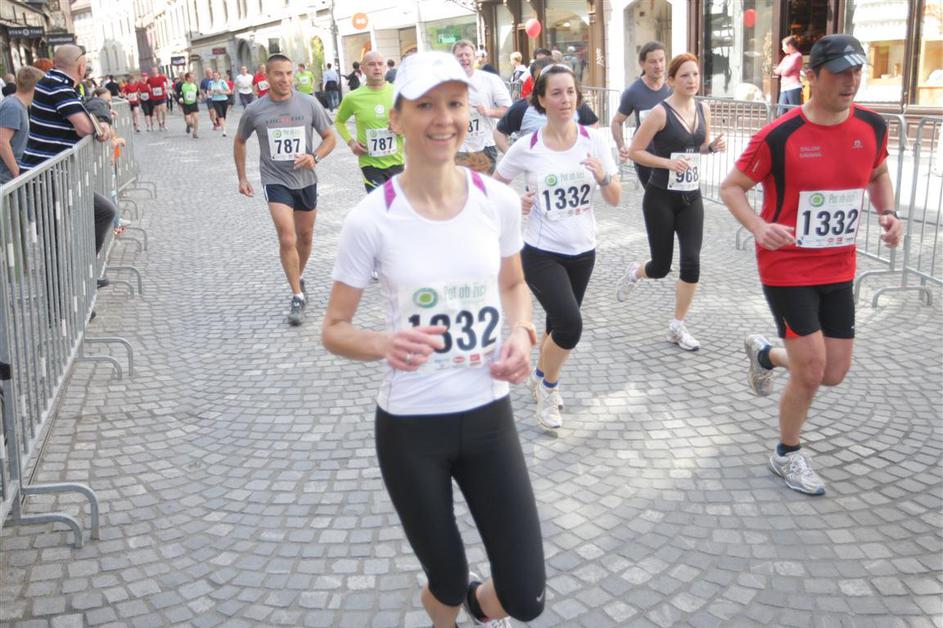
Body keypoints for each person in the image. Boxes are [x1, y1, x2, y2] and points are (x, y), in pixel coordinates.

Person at [321, 51, 546, 628]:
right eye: (425, 105)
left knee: (525, 595)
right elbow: (334, 329)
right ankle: (444, 609)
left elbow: (514, 284)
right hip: (412, 427)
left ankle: (475, 608)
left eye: (454, 103)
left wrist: (523, 332)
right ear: (396, 118)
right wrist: (384, 343)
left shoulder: (497, 202)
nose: (443, 118)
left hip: (488, 414)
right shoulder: (371, 219)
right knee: (445, 578)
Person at [719, 34, 902, 496]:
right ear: (811, 77)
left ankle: (766, 355)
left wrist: (888, 212)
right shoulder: (779, 135)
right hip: (787, 269)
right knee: (812, 370)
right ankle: (786, 454)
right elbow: (731, 187)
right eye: (839, 72)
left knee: (833, 371)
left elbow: (878, 173)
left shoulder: (872, 126)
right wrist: (759, 227)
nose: (851, 81)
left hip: (839, 267)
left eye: (856, 71)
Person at [494, 64, 621, 431]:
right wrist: (516, 202)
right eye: (556, 93)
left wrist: (603, 176)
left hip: (583, 250)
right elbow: (495, 186)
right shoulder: (527, 147)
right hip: (540, 251)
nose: (565, 99)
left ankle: (541, 376)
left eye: (570, 92)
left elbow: (615, 198)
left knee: (556, 325)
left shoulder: (594, 141)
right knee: (570, 324)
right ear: (541, 100)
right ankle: (548, 389)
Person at [615, 53, 726, 352]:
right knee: (661, 266)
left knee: (692, 262)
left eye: (695, 74)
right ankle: (635, 272)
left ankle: (677, 326)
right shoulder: (659, 112)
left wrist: (711, 147)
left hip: (691, 197)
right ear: (672, 80)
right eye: (685, 75)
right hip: (660, 197)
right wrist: (666, 163)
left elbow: (697, 147)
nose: (692, 80)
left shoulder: (703, 108)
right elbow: (636, 151)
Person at [234, 53, 336, 326]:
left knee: (305, 236)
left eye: (289, 73)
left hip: (306, 179)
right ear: (266, 77)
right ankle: (297, 295)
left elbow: (330, 137)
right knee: (287, 237)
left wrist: (314, 157)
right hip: (275, 180)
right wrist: (242, 177)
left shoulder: (308, 103)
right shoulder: (255, 110)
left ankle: (297, 276)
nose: (285, 79)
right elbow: (240, 140)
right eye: (279, 74)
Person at [20, 45, 115, 267]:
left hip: (55, 175)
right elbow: (85, 128)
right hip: (45, 177)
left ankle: (82, 272)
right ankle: (67, 284)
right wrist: (98, 124)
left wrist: (101, 119)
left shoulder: (61, 84)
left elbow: (87, 111)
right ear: (81, 67)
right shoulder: (57, 86)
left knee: (102, 212)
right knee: (55, 238)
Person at [494, 57, 599, 153]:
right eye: (542, 80)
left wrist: (584, 149)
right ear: (533, 82)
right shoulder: (522, 108)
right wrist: (510, 154)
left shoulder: (572, 104)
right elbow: (499, 132)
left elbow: (593, 123)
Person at [334, 51, 404, 192]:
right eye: (371, 64)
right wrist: (351, 143)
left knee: (396, 202)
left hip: (397, 161)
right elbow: (339, 121)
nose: (377, 68)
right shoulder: (352, 98)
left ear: (385, 67)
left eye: (380, 64)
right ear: (362, 68)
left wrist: (402, 129)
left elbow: (414, 122)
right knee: (380, 201)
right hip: (370, 163)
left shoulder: (399, 93)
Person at [611, 41, 672, 188]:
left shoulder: (673, 87)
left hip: (671, 156)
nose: (658, 65)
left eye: (661, 60)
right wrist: (621, 146)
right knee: (656, 197)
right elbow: (616, 121)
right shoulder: (633, 92)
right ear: (642, 64)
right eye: (652, 61)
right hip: (645, 157)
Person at [452, 39, 512, 175]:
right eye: (460, 55)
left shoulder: (490, 80)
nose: (464, 58)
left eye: (467, 54)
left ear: (474, 57)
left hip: (484, 147)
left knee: (484, 187)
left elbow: (508, 110)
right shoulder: (445, 84)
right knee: (461, 187)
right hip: (457, 148)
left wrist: (489, 112)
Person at [0, 66, 43, 184]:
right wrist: (17, 174)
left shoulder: (18, 105)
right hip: (8, 179)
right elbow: (2, 142)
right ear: (36, 87)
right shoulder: (13, 106)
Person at [774, 36, 804, 116]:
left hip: (793, 86)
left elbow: (785, 72)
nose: (782, 48)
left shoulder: (797, 56)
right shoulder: (786, 57)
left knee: (794, 112)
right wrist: (783, 68)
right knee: (781, 112)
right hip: (784, 87)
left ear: (790, 46)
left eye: (783, 46)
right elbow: (777, 71)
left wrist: (782, 68)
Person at [146, 66, 170, 131]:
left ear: (157, 71)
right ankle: (160, 124)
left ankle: (164, 123)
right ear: (151, 71)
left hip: (162, 96)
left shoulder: (162, 77)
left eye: (155, 70)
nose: (154, 71)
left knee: (164, 110)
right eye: (153, 70)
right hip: (155, 97)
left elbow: (167, 83)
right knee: (158, 111)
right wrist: (150, 89)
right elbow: (147, 85)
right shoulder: (149, 79)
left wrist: (166, 89)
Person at [178, 72, 200, 138]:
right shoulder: (182, 85)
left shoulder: (195, 85)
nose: (193, 78)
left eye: (193, 77)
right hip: (186, 105)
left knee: (196, 119)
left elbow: (197, 93)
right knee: (189, 121)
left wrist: (199, 97)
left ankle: (195, 133)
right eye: (192, 77)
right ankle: (189, 125)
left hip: (194, 104)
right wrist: (180, 98)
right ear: (188, 78)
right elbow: (179, 94)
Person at [209, 70, 231, 136]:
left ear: (219, 76)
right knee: (220, 115)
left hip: (224, 100)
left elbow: (229, 91)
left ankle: (222, 124)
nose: (215, 77)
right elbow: (209, 92)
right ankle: (224, 130)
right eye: (214, 75)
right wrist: (212, 92)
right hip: (215, 100)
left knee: (223, 115)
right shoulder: (210, 83)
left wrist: (222, 92)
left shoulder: (222, 82)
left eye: (216, 75)